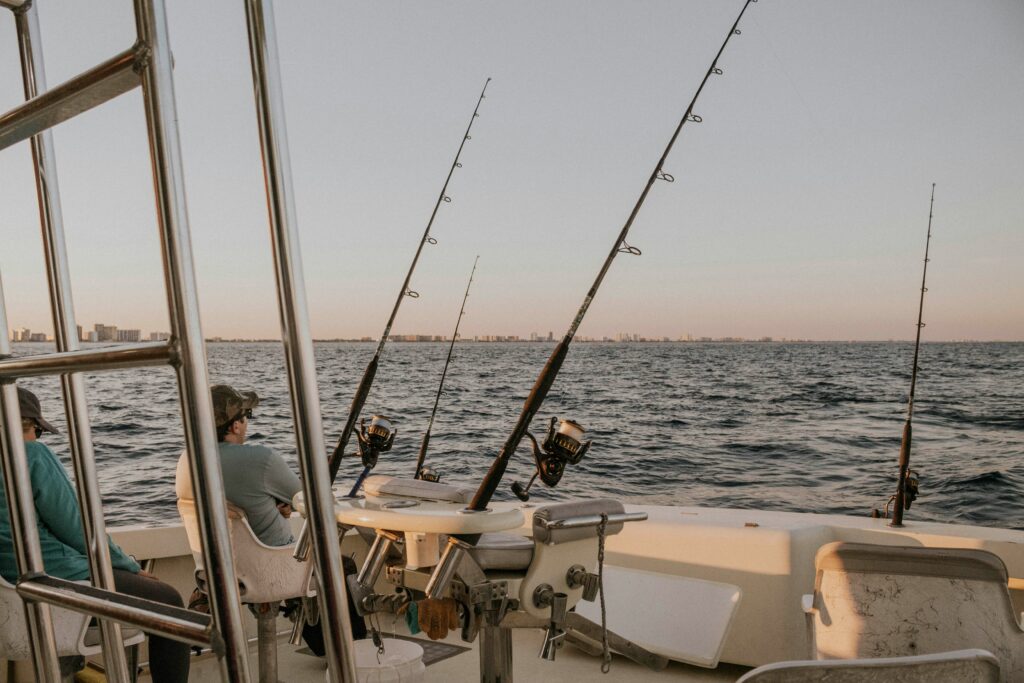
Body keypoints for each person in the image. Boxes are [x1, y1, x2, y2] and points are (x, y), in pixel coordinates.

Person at [0, 387, 189, 683]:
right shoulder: (31, 454)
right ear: (27, 425)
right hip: (49, 583)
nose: (38, 438)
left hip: (9, 594)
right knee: (170, 603)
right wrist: (128, 565)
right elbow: (78, 528)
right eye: (38, 431)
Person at [175, 384, 365, 655]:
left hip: (217, 573)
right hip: (270, 572)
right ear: (235, 425)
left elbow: (232, 506)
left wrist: (272, 507)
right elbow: (314, 503)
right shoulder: (261, 459)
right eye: (246, 417)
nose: (246, 424)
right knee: (342, 565)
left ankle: (322, 642)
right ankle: (349, 653)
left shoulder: (187, 460)